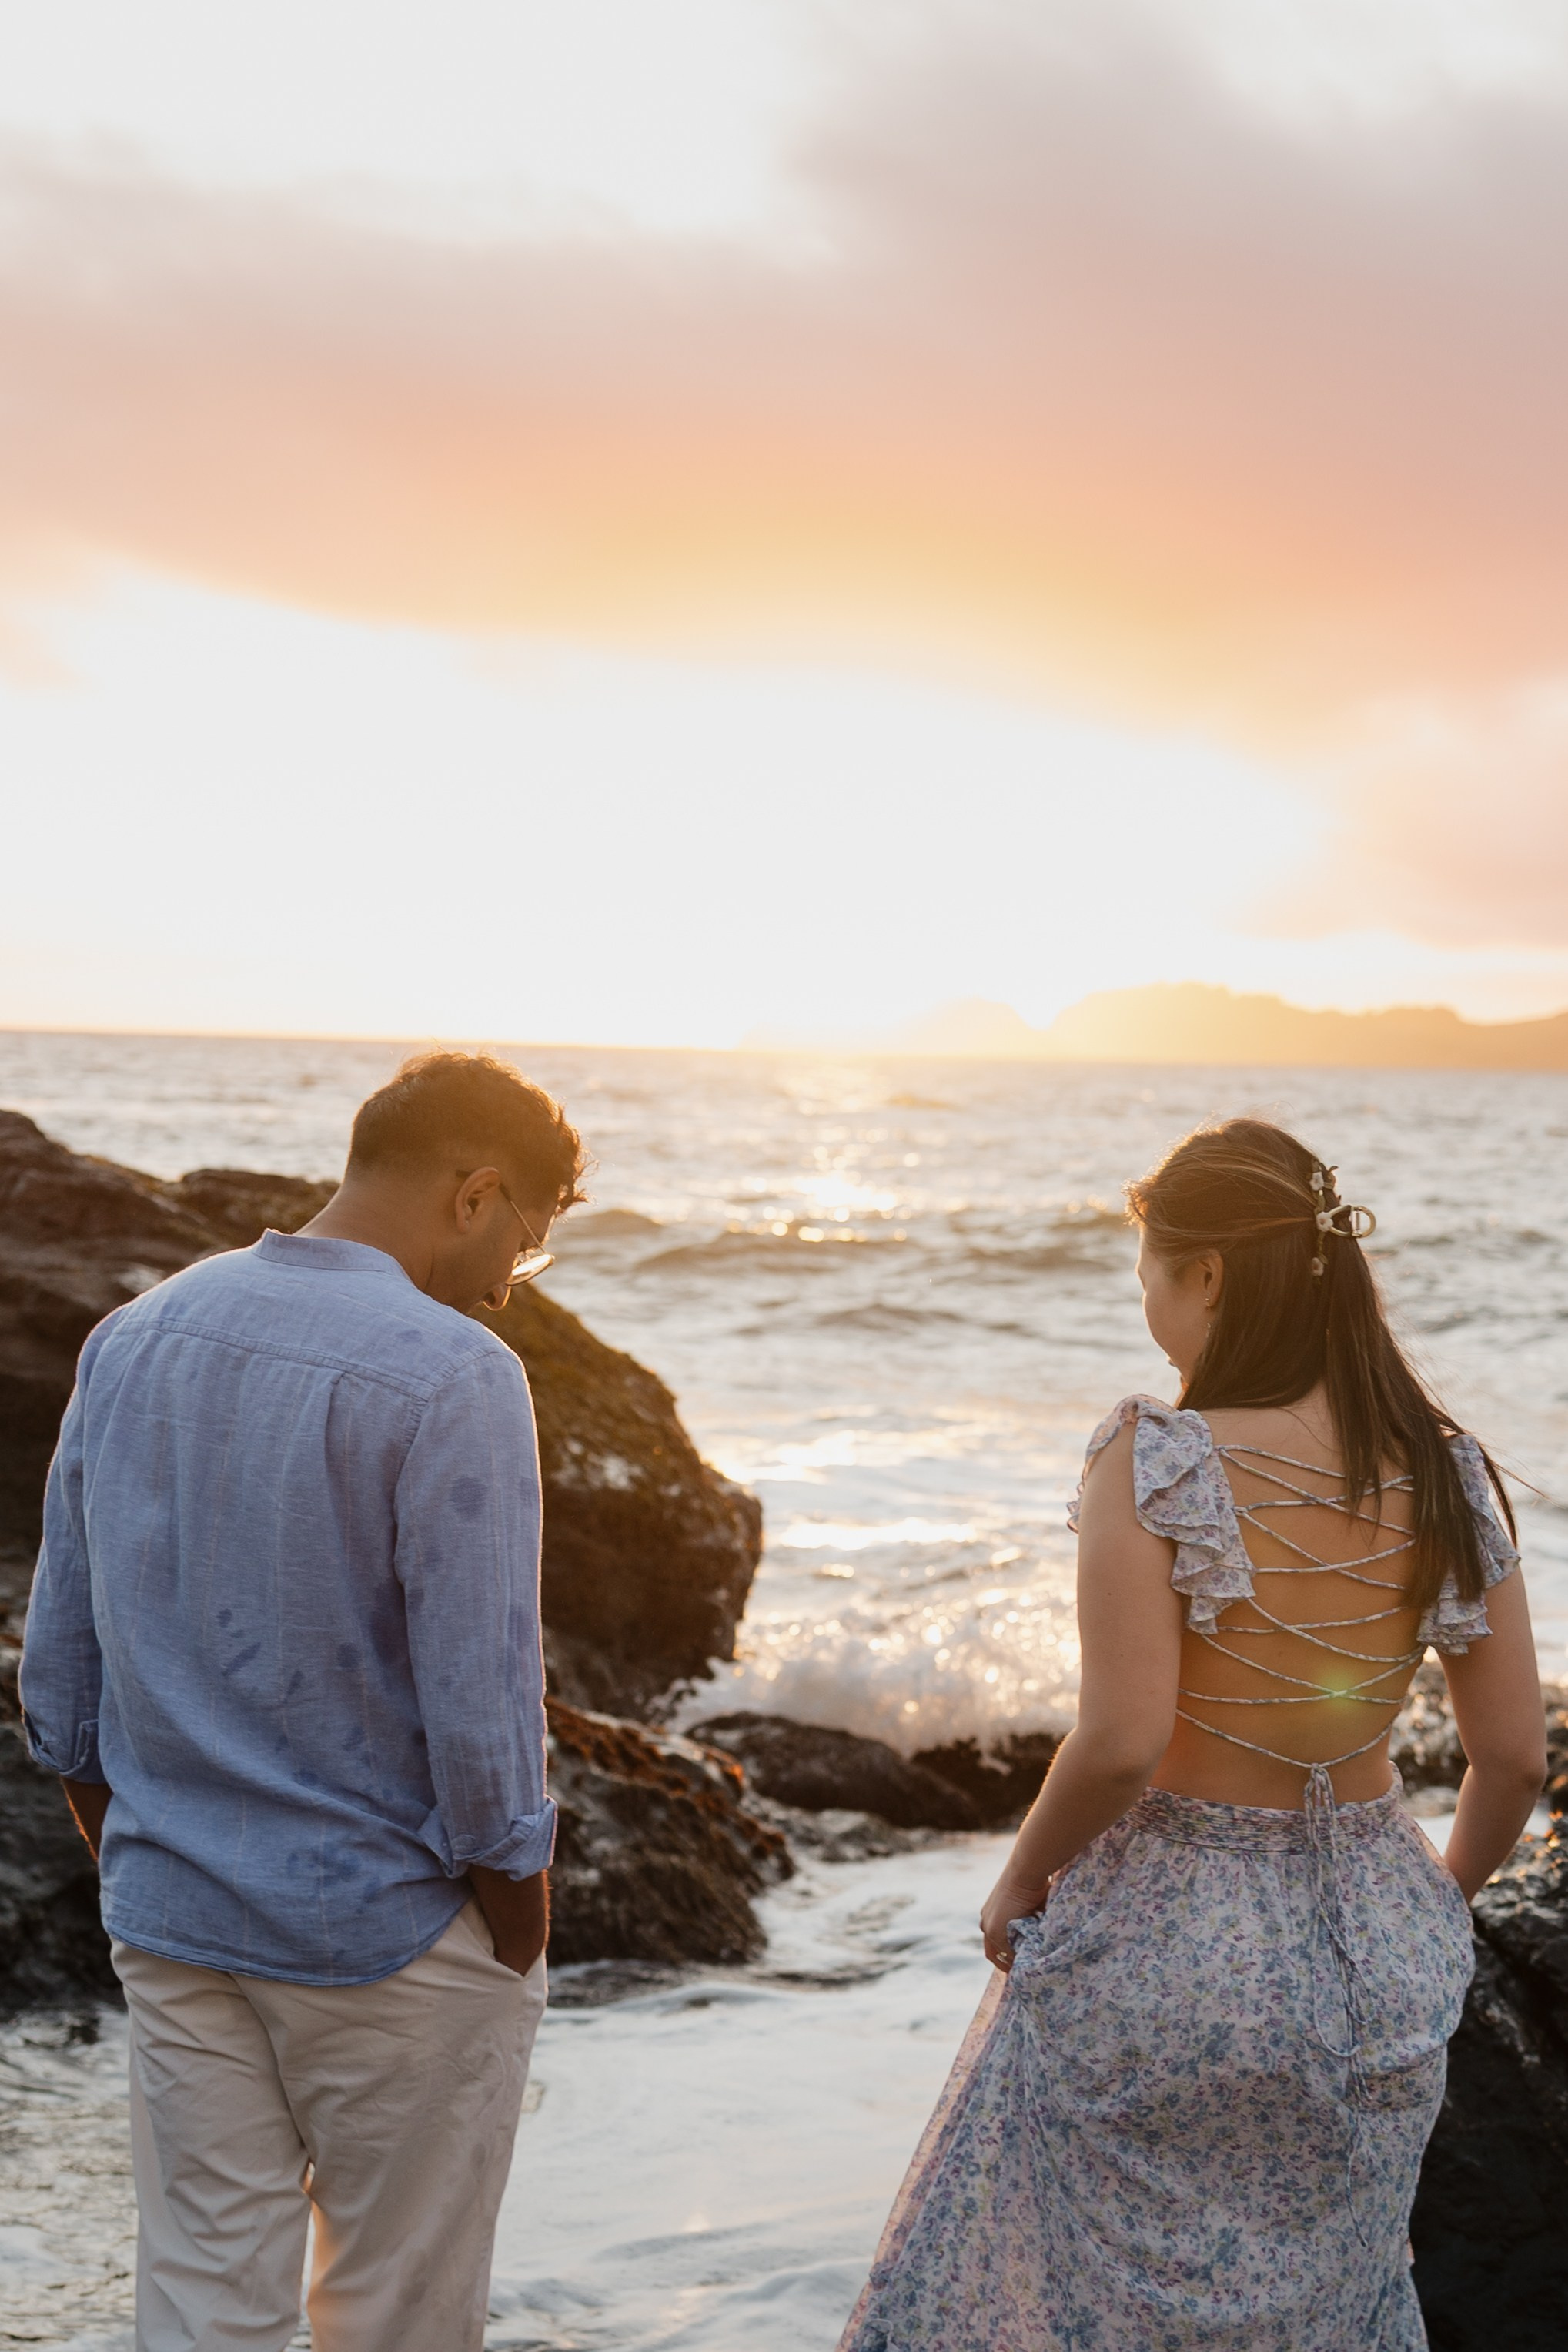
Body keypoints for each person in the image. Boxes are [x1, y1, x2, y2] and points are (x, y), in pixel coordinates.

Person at [839, 1118, 1546, 2352]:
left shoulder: (1158, 1457)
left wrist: (1020, 1876)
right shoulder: (1443, 1471)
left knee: (1067, 2301)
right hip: (1375, 1954)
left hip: (1171, 1941)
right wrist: (1431, 1906)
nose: (1148, 1308)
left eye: (1148, 1276)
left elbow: (1119, 1741)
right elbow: (1515, 1759)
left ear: (1206, 1273)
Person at [19, 1049, 587, 2352]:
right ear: (477, 1192)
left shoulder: (136, 1332)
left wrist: (151, 1862)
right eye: (528, 1239)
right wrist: (518, 1925)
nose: (514, 1277)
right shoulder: (455, 1373)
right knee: (395, 2320)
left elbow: (57, 1683)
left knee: (201, 2310)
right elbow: (482, 1704)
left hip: (176, 1918)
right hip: (390, 1934)